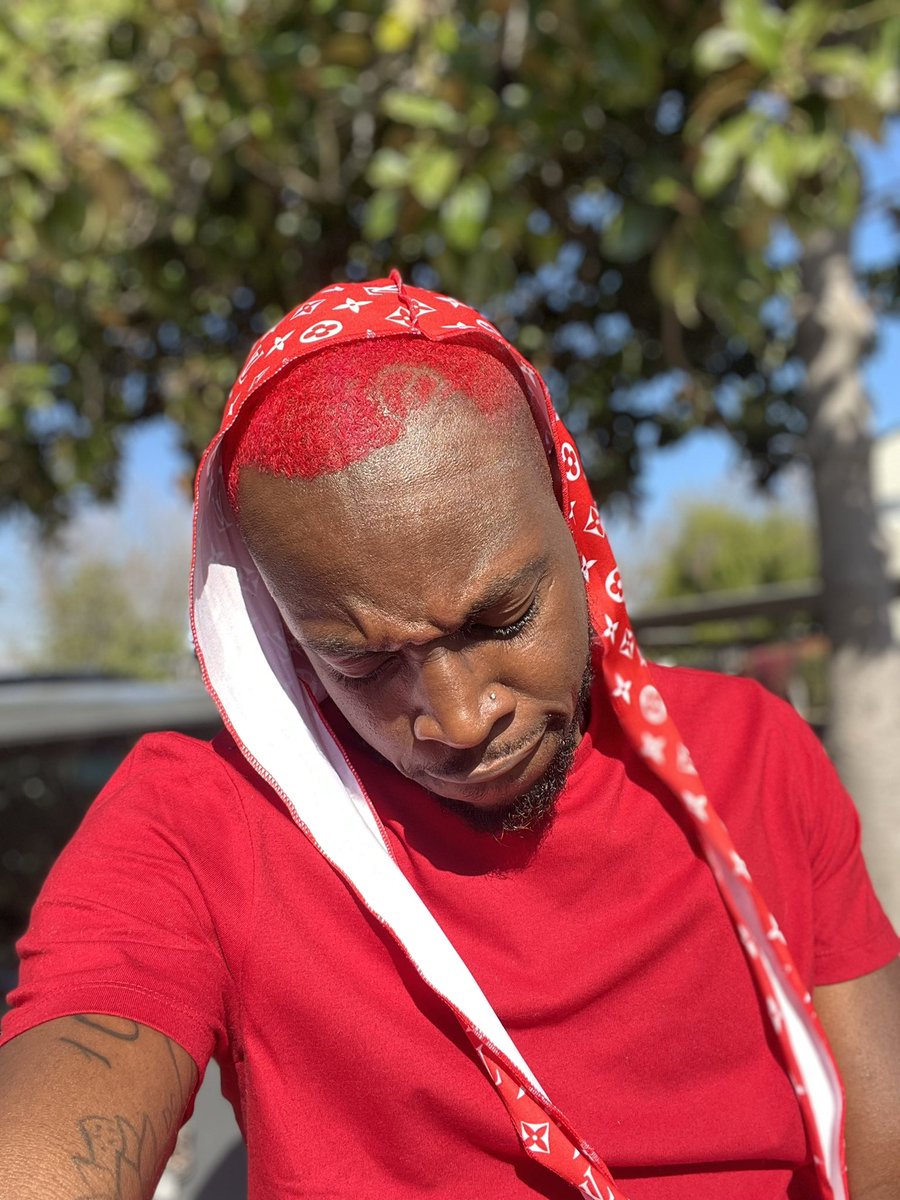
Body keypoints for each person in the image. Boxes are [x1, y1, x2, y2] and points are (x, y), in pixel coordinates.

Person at [1, 272, 898, 1200]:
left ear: (576, 525)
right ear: (288, 638)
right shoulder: (201, 829)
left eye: (501, 619)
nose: (461, 720)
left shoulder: (746, 752)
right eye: (361, 662)